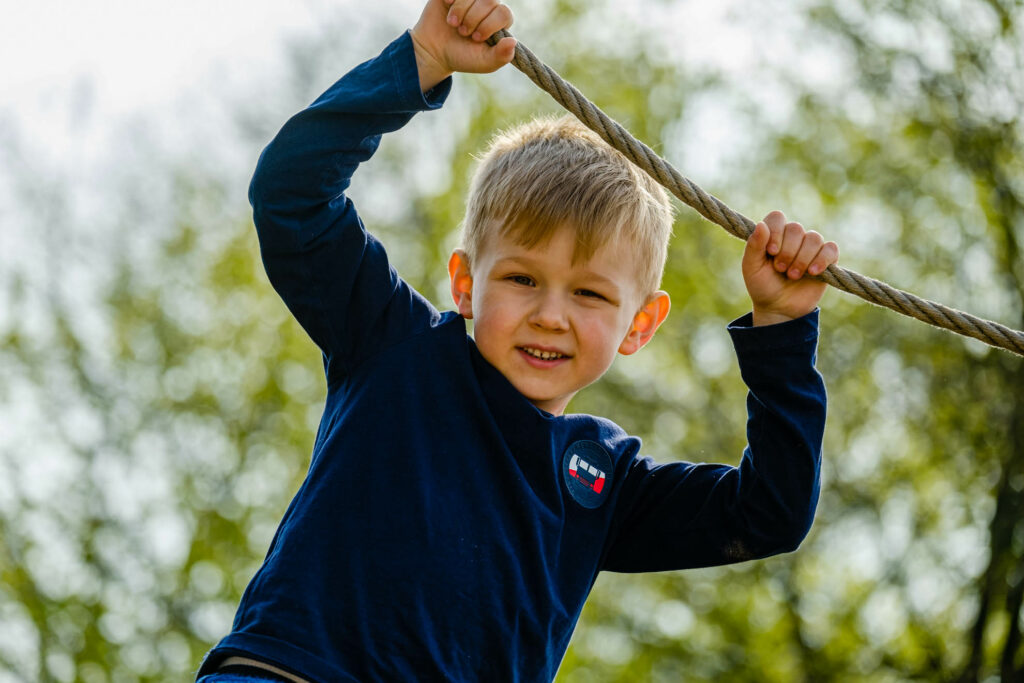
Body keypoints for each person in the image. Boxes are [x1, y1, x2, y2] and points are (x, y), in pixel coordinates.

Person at [195, 0, 839, 680]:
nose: (550, 315)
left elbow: (769, 513)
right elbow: (291, 195)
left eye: (588, 293)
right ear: (466, 283)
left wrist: (783, 330)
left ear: (640, 325)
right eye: (523, 279)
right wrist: (420, 60)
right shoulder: (396, 347)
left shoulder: (603, 479)